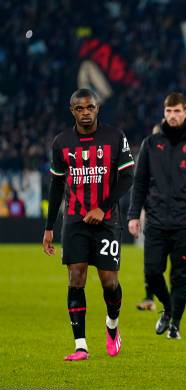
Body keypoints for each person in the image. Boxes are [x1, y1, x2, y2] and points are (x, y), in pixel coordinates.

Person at [43, 88, 135, 361]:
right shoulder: (61, 143)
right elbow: (56, 184)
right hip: (75, 221)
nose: (85, 112)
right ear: (72, 111)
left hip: (107, 221)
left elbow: (127, 178)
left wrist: (102, 207)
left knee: (109, 282)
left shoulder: (115, 137)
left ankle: (112, 325)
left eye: (90, 107)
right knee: (76, 278)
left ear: (98, 109)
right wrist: (49, 227)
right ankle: (80, 346)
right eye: (80, 108)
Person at [127, 92, 186, 340]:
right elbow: (140, 182)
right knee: (153, 272)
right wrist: (134, 215)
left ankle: (175, 323)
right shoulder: (151, 144)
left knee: (180, 277)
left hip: (185, 223)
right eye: (168, 111)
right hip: (154, 221)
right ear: (163, 113)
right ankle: (168, 309)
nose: (172, 116)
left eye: (177, 111)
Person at [135, 122, 162, 312]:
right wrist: (140, 212)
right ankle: (149, 298)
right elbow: (140, 186)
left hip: (174, 219)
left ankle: (171, 306)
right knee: (150, 260)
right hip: (152, 215)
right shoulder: (149, 159)